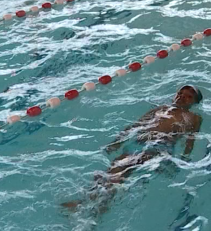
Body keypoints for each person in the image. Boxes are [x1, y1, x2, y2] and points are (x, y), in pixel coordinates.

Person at [62, 85, 203, 214]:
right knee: (111, 170)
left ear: (194, 103)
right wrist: (116, 142)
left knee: (122, 169)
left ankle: (95, 205)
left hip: (159, 148)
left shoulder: (194, 118)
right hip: (139, 144)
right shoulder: (160, 109)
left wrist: (184, 159)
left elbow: (191, 140)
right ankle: (90, 203)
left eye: (189, 96)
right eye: (180, 93)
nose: (182, 97)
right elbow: (135, 126)